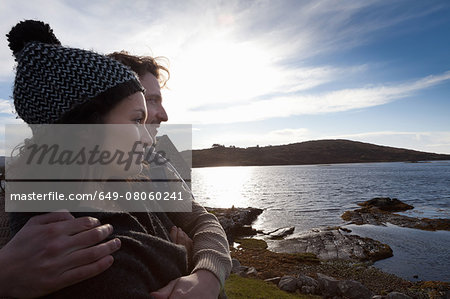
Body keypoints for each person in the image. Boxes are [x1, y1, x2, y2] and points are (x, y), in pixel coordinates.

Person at [4, 20, 190, 298]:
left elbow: (198, 216)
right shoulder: (94, 251)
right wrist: (185, 261)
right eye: (137, 119)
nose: (149, 138)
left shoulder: (121, 188)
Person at [108, 52, 232, 298]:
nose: (164, 115)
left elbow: (203, 221)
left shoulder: (155, 163)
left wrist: (206, 276)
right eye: (150, 100)